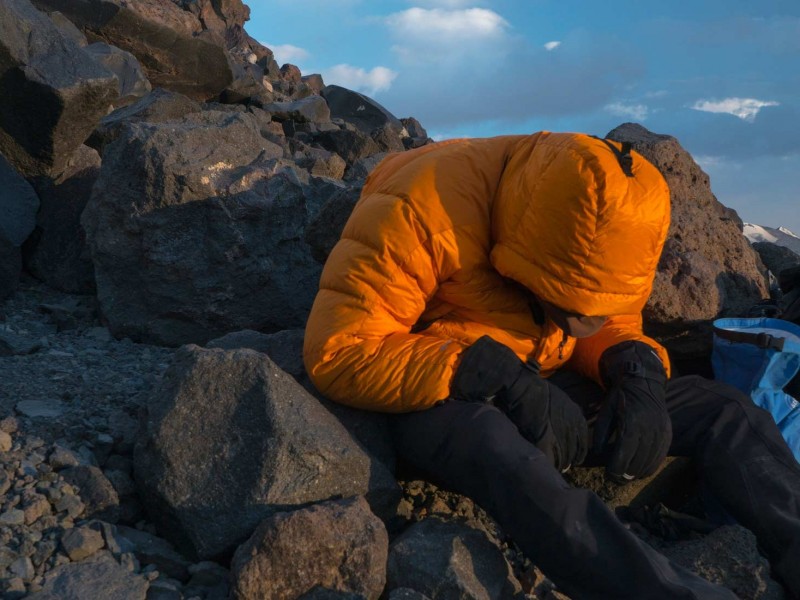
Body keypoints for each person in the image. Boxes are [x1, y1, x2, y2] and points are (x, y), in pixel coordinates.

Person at [303, 132, 800, 599]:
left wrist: (634, 366)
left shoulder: (605, 210)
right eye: (568, 305)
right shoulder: (420, 207)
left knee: (725, 410)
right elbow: (341, 349)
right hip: (438, 390)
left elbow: (613, 310)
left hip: (539, 382)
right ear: (523, 250)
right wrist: (496, 377)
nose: (584, 320)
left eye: (592, 309)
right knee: (508, 459)